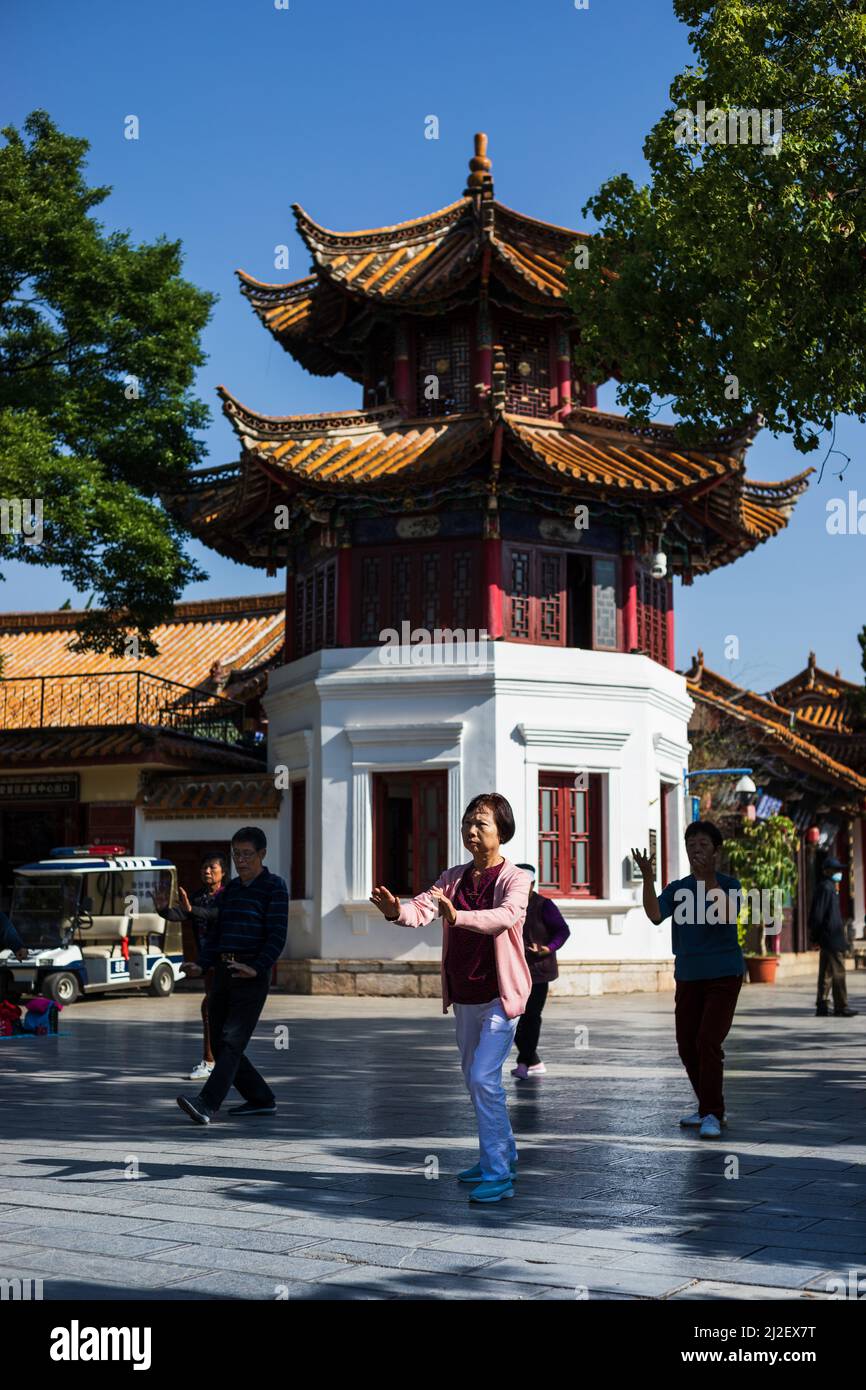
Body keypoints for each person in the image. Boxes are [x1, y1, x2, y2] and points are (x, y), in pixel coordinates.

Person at [370, 793, 531, 1204]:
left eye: (481, 824)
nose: (471, 831)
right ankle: (499, 1153)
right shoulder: (454, 877)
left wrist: (458, 916)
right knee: (475, 1082)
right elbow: (423, 909)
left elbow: (505, 917)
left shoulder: (516, 879)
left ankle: (498, 1174)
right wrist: (395, 911)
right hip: (466, 995)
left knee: (483, 1077)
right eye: (467, 823)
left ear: (502, 832)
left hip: (501, 996)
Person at [633, 820, 744, 1140]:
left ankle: (713, 1111)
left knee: (708, 1041)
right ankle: (706, 1105)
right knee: (686, 1045)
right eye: (691, 844)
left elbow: (725, 915)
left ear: (716, 851)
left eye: (703, 844)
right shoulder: (677, 888)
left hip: (724, 974)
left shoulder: (730, 884)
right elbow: (654, 914)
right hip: (689, 975)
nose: (696, 849)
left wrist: (708, 878)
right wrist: (649, 878)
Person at [176, 827, 288, 1125]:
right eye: (236, 854)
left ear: (262, 854)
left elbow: (277, 935)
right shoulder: (232, 891)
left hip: (251, 974)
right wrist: (202, 963)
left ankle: (206, 1103)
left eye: (247, 854)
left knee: (232, 1041)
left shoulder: (275, 887)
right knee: (221, 1040)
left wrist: (259, 966)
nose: (241, 860)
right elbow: (215, 935)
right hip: (224, 972)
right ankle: (261, 1098)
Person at [153, 853, 226, 1080]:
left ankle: (217, 1060)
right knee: (210, 1009)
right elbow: (182, 913)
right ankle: (211, 1060)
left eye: (212, 868)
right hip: (207, 961)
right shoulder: (198, 896)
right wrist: (163, 909)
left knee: (215, 1009)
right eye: (204, 868)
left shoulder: (229, 896)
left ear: (223, 872)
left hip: (227, 960)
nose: (207, 872)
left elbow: (217, 915)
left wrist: (192, 910)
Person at [511, 863, 570, 1079]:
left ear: (533, 885)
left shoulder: (544, 905)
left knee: (532, 1016)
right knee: (512, 1016)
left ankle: (524, 1062)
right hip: (511, 970)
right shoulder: (505, 904)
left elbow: (562, 931)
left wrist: (547, 948)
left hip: (537, 971)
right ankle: (532, 1059)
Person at [810, 856, 858, 1018]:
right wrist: (815, 936)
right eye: (836, 870)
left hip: (829, 937)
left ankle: (822, 1005)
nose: (839, 872)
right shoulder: (826, 888)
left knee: (826, 972)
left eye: (840, 870)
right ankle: (841, 1006)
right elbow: (818, 915)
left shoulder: (829, 887)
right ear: (827, 871)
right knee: (839, 973)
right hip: (831, 938)